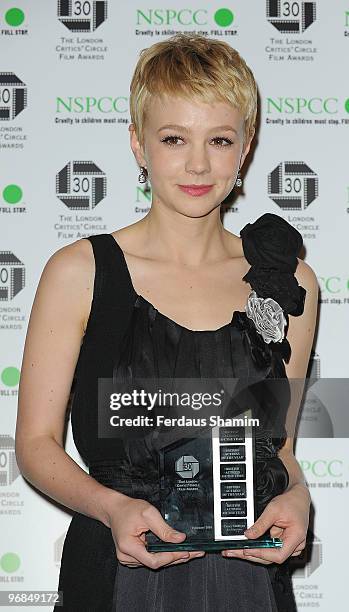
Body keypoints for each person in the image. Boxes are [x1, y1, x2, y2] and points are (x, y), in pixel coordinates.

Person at [15, 33, 318, 611]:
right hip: (118, 571)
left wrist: (300, 498)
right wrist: (111, 507)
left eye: (220, 139)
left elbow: (275, 447)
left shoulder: (291, 282)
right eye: (174, 138)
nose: (199, 164)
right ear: (138, 143)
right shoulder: (80, 272)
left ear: (246, 147)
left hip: (248, 578)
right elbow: (35, 445)